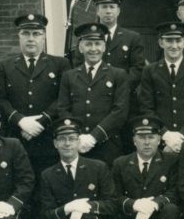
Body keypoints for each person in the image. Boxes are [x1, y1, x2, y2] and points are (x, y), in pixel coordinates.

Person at [0, 11, 67, 219]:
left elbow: (63, 98)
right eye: (26, 33)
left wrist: (42, 120)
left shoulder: (60, 64)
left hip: (48, 140)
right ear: (19, 37)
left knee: (52, 192)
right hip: (18, 140)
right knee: (22, 192)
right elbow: (0, 99)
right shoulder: (5, 66)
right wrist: (19, 119)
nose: (31, 39)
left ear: (44, 36)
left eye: (36, 33)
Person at [37, 117, 117, 219]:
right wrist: (66, 208)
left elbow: (112, 203)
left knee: (87, 218)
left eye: (72, 139)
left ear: (79, 142)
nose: (67, 144)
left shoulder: (98, 167)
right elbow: (46, 214)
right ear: (55, 144)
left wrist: (89, 207)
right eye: (62, 139)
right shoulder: (48, 175)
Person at [112, 114, 182, 219]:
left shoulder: (171, 161)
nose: (147, 142)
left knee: (171, 209)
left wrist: (155, 203)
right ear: (134, 140)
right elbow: (115, 196)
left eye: (151, 137)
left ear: (159, 140)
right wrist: (134, 204)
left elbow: (175, 191)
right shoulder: (120, 163)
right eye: (141, 137)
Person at [53, 21, 131, 165]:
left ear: (104, 47)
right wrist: (76, 135)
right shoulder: (69, 76)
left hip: (108, 145)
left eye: (97, 44)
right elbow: (63, 108)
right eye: (88, 44)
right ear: (80, 48)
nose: (93, 49)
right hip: (77, 146)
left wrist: (95, 137)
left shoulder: (118, 74)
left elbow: (120, 111)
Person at [134, 21, 184, 153]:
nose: (174, 46)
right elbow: (146, 107)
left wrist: (183, 135)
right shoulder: (150, 70)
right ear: (161, 43)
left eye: (178, 40)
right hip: (161, 141)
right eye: (169, 41)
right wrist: (165, 134)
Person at [82, 0, 146, 80]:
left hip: (123, 92)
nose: (108, 11)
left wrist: (120, 88)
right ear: (97, 11)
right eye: (104, 7)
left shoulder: (133, 38)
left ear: (118, 11)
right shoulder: (85, 38)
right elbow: (79, 67)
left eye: (112, 7)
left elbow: (137, 70)